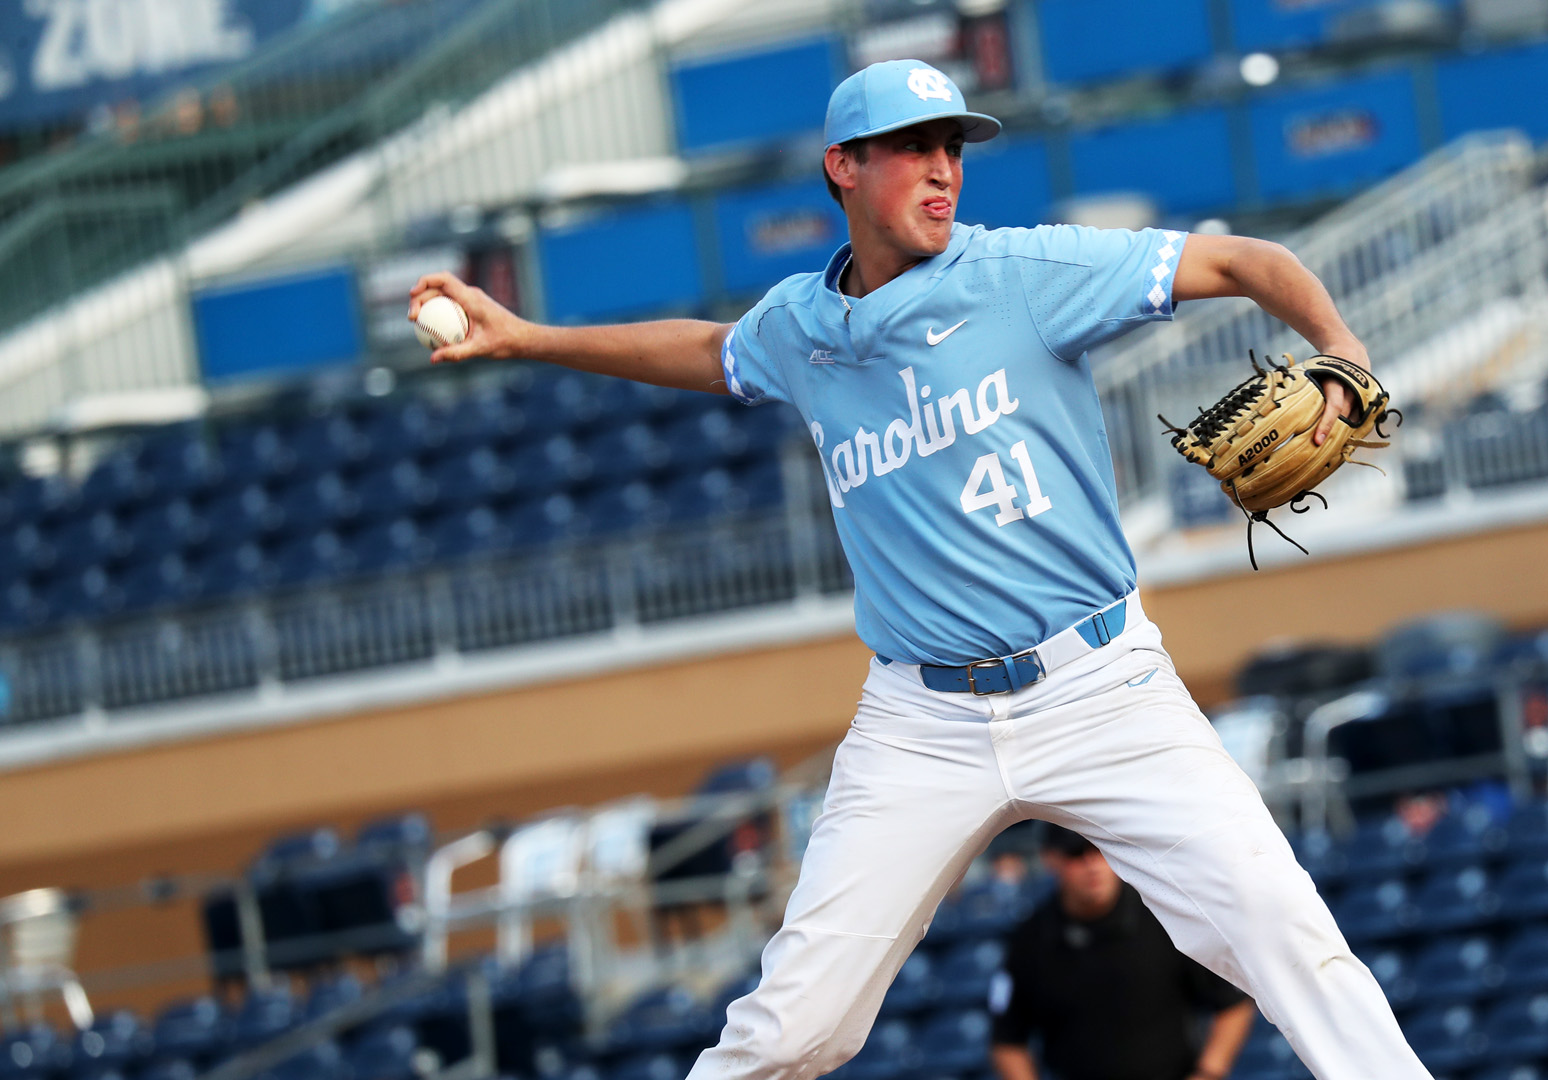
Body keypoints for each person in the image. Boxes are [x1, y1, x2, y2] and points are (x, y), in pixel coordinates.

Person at [410, 59, 1430, 1080]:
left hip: (1100, 685)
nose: (943, 171)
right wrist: (526, 336)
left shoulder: (1025, 273)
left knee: (1277, 925)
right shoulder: (799, 329)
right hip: (922, 725)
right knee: (794, 1025)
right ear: (842, 168)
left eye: (952, 148)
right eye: (914, 149)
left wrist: (1343, 348)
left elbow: (1249, 262)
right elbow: (712, 349)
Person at [991, 825, 1256, 1080]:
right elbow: (1007, 1041)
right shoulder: (1030, 939)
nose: (1092, 864)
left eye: (1100, 850)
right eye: (1075, 853)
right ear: (1050, 858)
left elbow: (1233, 1004)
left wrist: (1207, 1074)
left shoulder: (1165, 917)